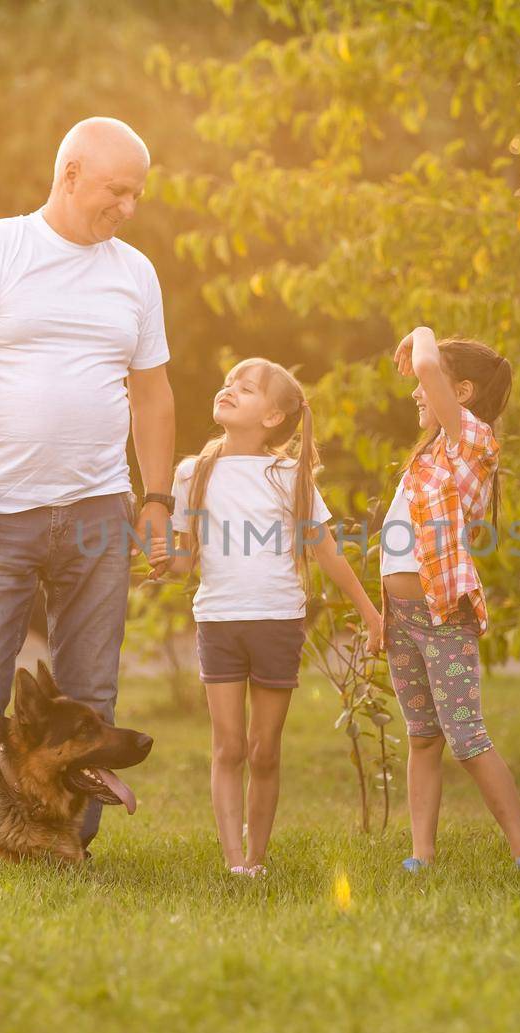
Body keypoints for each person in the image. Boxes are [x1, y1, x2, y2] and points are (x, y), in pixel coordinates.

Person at [0, 117, 176, 851]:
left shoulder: (135, 273)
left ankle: (69, 842)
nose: (128, 207)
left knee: (91, 690)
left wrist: (156, 500)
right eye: (116, 190)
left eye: (137, 195)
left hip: (99, 511)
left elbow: (153, 394)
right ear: (69, 175)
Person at [152, 359, 382, 876]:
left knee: (264, 752)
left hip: (277, 622)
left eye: (246, 388)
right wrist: (164, 560)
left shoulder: (288, 476)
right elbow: (187, 562)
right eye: (229, 382)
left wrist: (369, 612)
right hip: (219, 622)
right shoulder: (194, 472)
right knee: (229, 746)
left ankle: (259, 856)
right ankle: (238, 866)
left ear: (275, 416)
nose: (229, 389)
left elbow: (326, 553)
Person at [378, 326, 520, 872]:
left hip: (442, 614)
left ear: (462, 393)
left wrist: (422, 332)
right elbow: (401, 546)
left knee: (467, 739)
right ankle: (421, 854)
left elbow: (426, 367)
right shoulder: (429, 456)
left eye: (432, 386)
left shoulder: (471, 443)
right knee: (422, 738)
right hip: (403, 616)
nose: (417, 393)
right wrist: (384, 616)